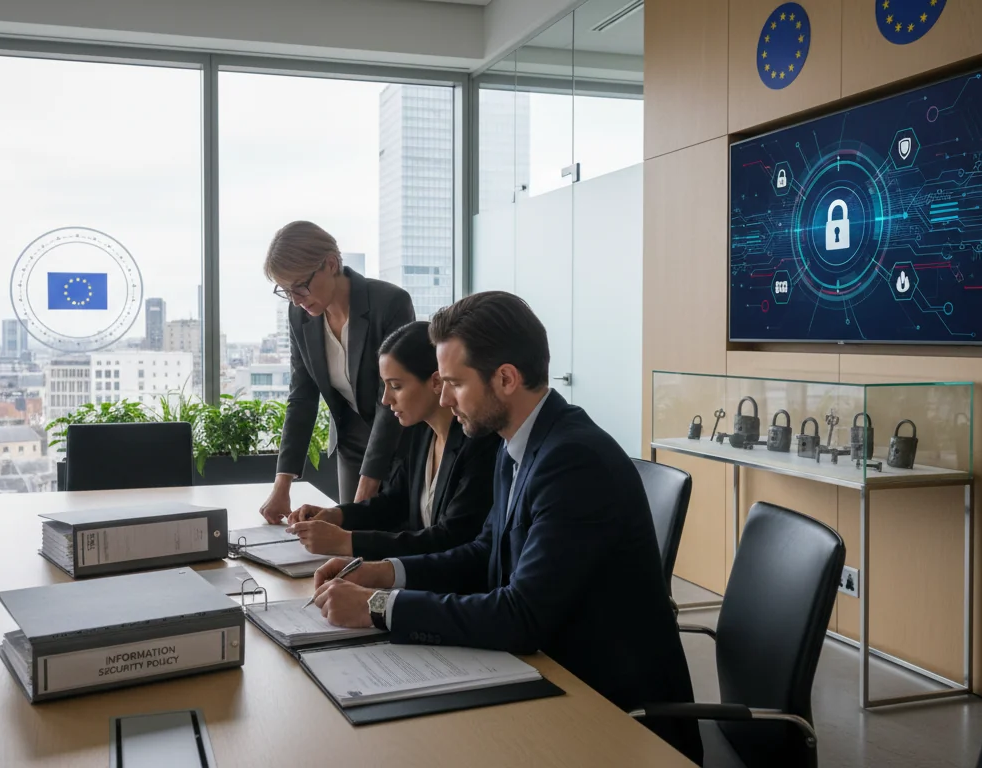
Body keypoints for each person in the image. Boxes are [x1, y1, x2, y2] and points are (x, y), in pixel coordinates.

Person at [309, 291, 702, 763]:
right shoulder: (516, 443)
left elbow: (520, 616)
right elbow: (485, 553)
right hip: (548, 674)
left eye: (454, 382)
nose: (444, 396)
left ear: (506, 379)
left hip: (613, 713)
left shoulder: (572, 461)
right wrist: (384, 572)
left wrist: (378, 607)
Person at [285, 321, 499, 559]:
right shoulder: (420, 434)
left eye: (395, 386)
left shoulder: (480, 443)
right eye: (384, 387)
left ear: (436, 382)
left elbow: (451, 537)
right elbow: (393, 503)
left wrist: (349, 542)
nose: (386, 400)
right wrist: (337, 515)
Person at [258, 221, 415, 519]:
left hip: (401, 442)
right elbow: (302, 396)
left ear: (330, 264)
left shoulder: (390, 303)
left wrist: (365, 492)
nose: (295, 300)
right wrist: (282, 485)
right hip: (351, 442)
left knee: (392, 542)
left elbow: (391, 396)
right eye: (286, 291)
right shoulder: (299, 316)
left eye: (300, 287)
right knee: (349, 548)